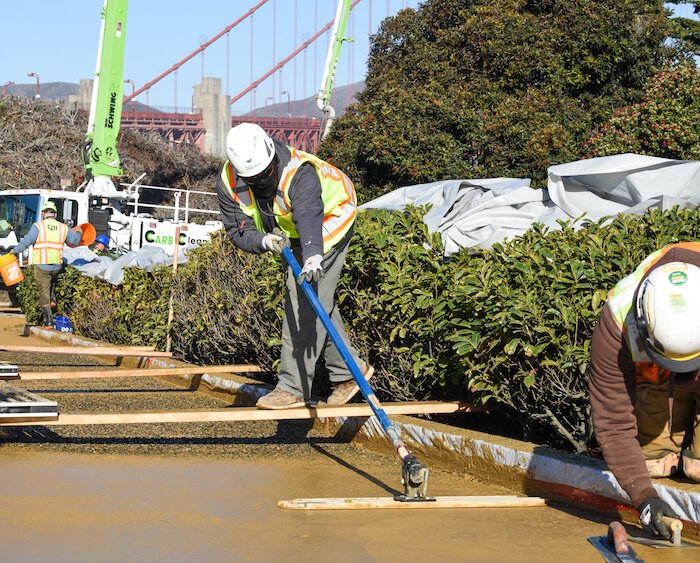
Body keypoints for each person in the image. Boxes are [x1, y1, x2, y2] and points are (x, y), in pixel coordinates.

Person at [216, 122, 373, 410]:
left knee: (301, 297)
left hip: (330, 217)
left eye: (264, 175)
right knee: (317, 300)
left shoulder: (299, 173)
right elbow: (237, 230)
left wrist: (313, 256)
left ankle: (293, 387)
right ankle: (350, 373)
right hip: (292, 228)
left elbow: (309, 214)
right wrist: (264, 241)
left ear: (272, 159)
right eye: (251, 178)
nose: (259, 182)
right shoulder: (228, 179)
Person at [589, 242, 700, 541]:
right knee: (651, 465)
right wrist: (644, 497)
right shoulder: (617, 317)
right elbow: (613, 421)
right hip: (656, 385)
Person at [10, 201, 83, 328]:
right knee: (52, 281)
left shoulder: (38, 226)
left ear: (44, 214)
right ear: (55, 214)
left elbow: (27, 242)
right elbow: (75, 241)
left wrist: (13, 252)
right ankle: (53, 299)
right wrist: (80, 232)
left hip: (42, 265)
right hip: (57, 265)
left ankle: (48, 321)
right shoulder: (63, 227)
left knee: (43, 292)